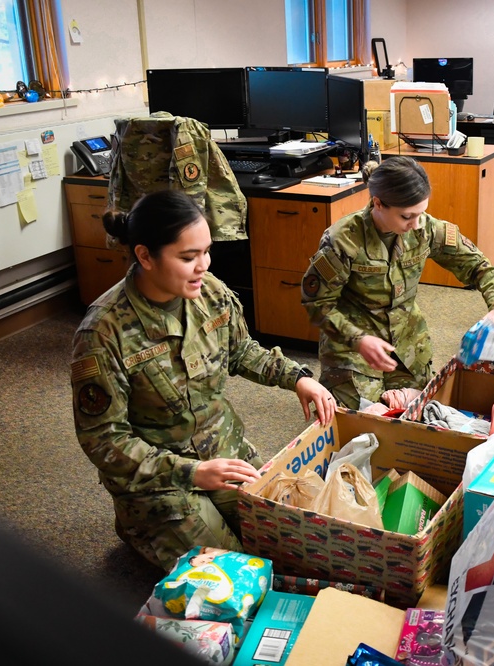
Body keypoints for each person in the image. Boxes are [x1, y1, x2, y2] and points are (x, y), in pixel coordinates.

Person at [70, 190, 336, 571]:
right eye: (188, 257)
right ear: (145, 256)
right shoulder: (102, 333)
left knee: (290, 541)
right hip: (161, 479)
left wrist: (297, 378)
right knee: (242, 572)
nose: (203, 266)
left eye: (206, 251)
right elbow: (103, 439)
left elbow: (241, 351)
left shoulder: (209, 292)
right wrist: (191, 473)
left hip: (223, 451)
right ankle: (139, 524)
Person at [301, 155, 494, 409]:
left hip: (406, 341)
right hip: (352, 346)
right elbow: (317, 304)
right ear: (378, 204)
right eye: (406, 216)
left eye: (421, 213)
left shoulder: (425, 228)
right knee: (366, 418)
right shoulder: (343, 241)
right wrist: (358, 339)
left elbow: (480, 267)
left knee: (425, 407)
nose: (415, 224)